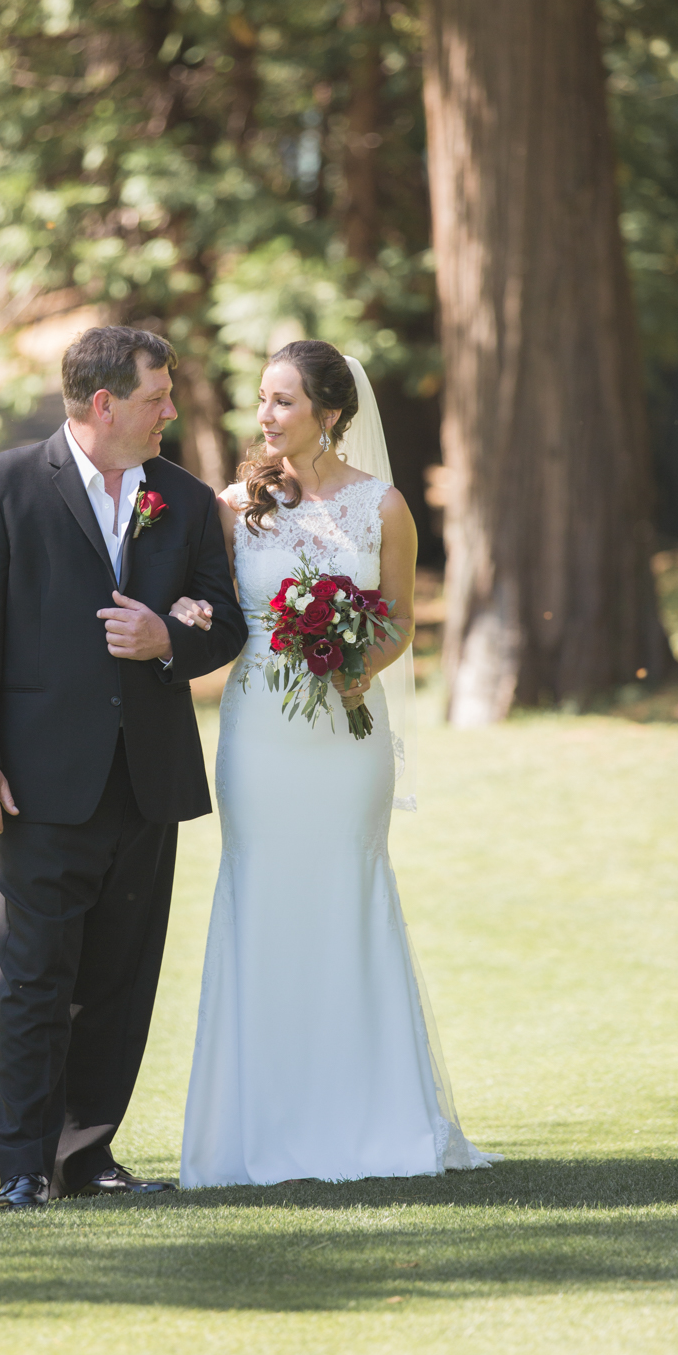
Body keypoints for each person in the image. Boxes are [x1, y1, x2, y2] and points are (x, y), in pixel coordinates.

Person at [174, 340, 500, 1186]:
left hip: (346, 740)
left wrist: (352, 666)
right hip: (259, 738)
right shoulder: (235, 505)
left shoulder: (383, 508)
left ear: (331, 413)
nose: (266, 416)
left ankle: (374, 1117)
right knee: (262, 898)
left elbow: (398, 622)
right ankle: (256, 1127)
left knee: (348, 899)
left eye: (283, 401)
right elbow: (208, 607)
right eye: (262, 400)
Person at [0, 325, 248, 1209]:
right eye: (157, 398)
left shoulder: (184, 500)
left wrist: (169, 640)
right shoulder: (1, 487)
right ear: (105, 404)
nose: (170, 413)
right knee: (38, 977)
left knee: (120, 976)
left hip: (147, 778)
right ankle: (25, 1167)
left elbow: (225, 622)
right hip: (36, 784)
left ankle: (88, 1154)